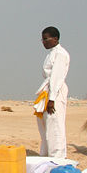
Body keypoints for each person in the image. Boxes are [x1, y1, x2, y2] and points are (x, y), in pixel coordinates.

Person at [33, 26, 70, 158]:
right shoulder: (51, 53)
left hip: (56, 92)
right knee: (45, 124)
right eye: (42, 40)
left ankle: (57, 156)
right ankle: (47, 153)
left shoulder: (61, 54)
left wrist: (52, 99)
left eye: (46, 39)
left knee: (55, 124)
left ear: (55, 39)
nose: (44, 42)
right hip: (48, 89)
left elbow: (57, 77)